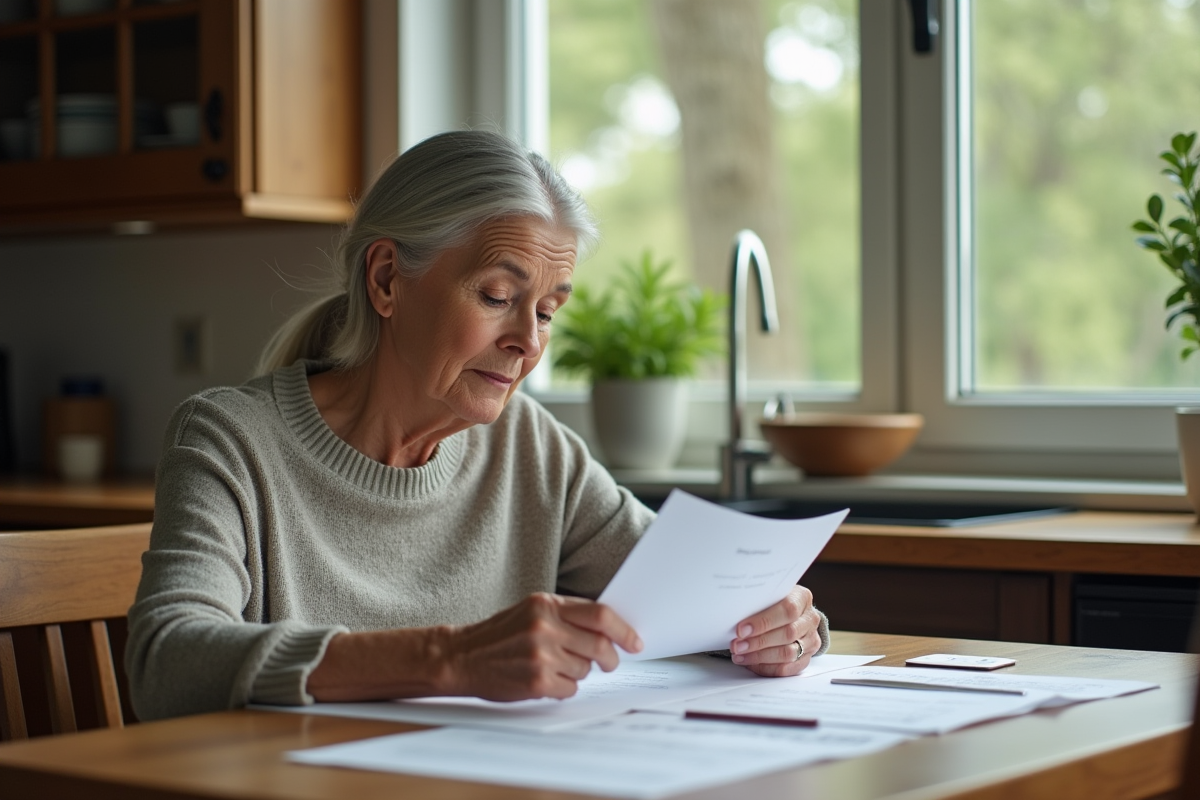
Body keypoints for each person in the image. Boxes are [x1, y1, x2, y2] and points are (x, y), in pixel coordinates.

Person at [125, 129, 829, 721]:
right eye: (496, 296)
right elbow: (166, 660)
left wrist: (780, 623)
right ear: (386, 280)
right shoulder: (229, 439)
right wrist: (450, 658)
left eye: (547, 311)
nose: (528, 340)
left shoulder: (530, 445)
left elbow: (693, 591)